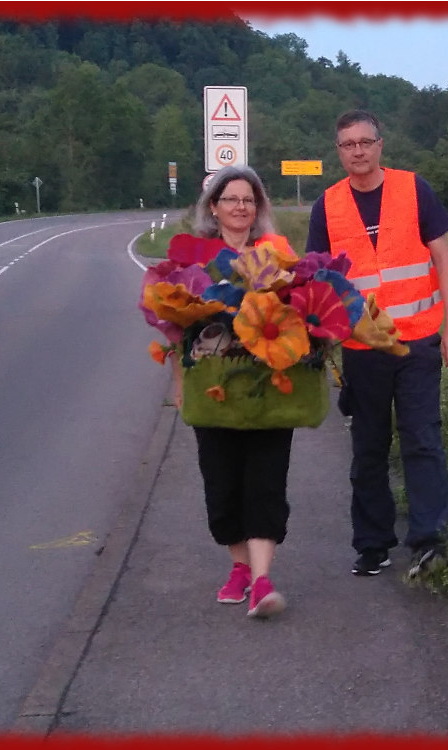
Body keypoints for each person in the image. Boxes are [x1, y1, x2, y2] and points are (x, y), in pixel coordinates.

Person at [305, 110, 448, 580]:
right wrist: (321, 340)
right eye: (347, 144)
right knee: (369, 448)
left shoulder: (414, 189)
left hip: (418, 343)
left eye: (365, 142)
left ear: (380, 145)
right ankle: (373, 545)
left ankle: (429, 541)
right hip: (362, 349)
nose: (357, 151)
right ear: (339, 152)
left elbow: (443, 257)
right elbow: (321, 279)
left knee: (422, 441)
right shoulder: (327, 206)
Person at [175, 165, 296, 619]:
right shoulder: (195, 260)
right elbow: (175, 332)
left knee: (266, 481)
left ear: (258, 207)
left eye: (249, 199)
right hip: (212, 386)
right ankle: (239, 568)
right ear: (214, 207)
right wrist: (179, 389)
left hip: (269, 384)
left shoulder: (278, 253)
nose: (240, 207)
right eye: (231, 199)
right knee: (222, 485)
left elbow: (300, 309)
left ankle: (262, 581)